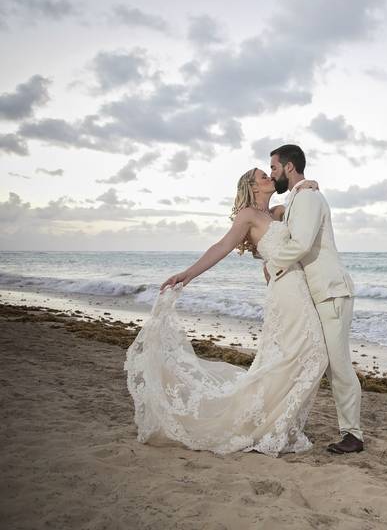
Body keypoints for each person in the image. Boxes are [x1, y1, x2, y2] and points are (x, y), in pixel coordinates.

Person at [124, 168, 325, 456]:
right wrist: (188, 274)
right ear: (252, 187)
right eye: (262, 176)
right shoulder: (247, 215)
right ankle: (268, 424)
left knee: (295, 354)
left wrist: (309, 185)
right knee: (307, 353)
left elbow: (300, 215)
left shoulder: (279, 212)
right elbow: (222, 246)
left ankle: (274, 422)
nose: (269, 177)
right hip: (286, 293)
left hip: (297, 288)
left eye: (269, 173)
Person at [267, 144, 362, 454]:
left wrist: (272, 264)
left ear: (289, 167)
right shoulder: (300, 196)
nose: (272, 173)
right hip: (320, 293)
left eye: (274, 168)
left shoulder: (307, 197)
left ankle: (353, 435)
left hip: (331, 291)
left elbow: (303, 243)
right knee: (320, 361)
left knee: (338, 366)